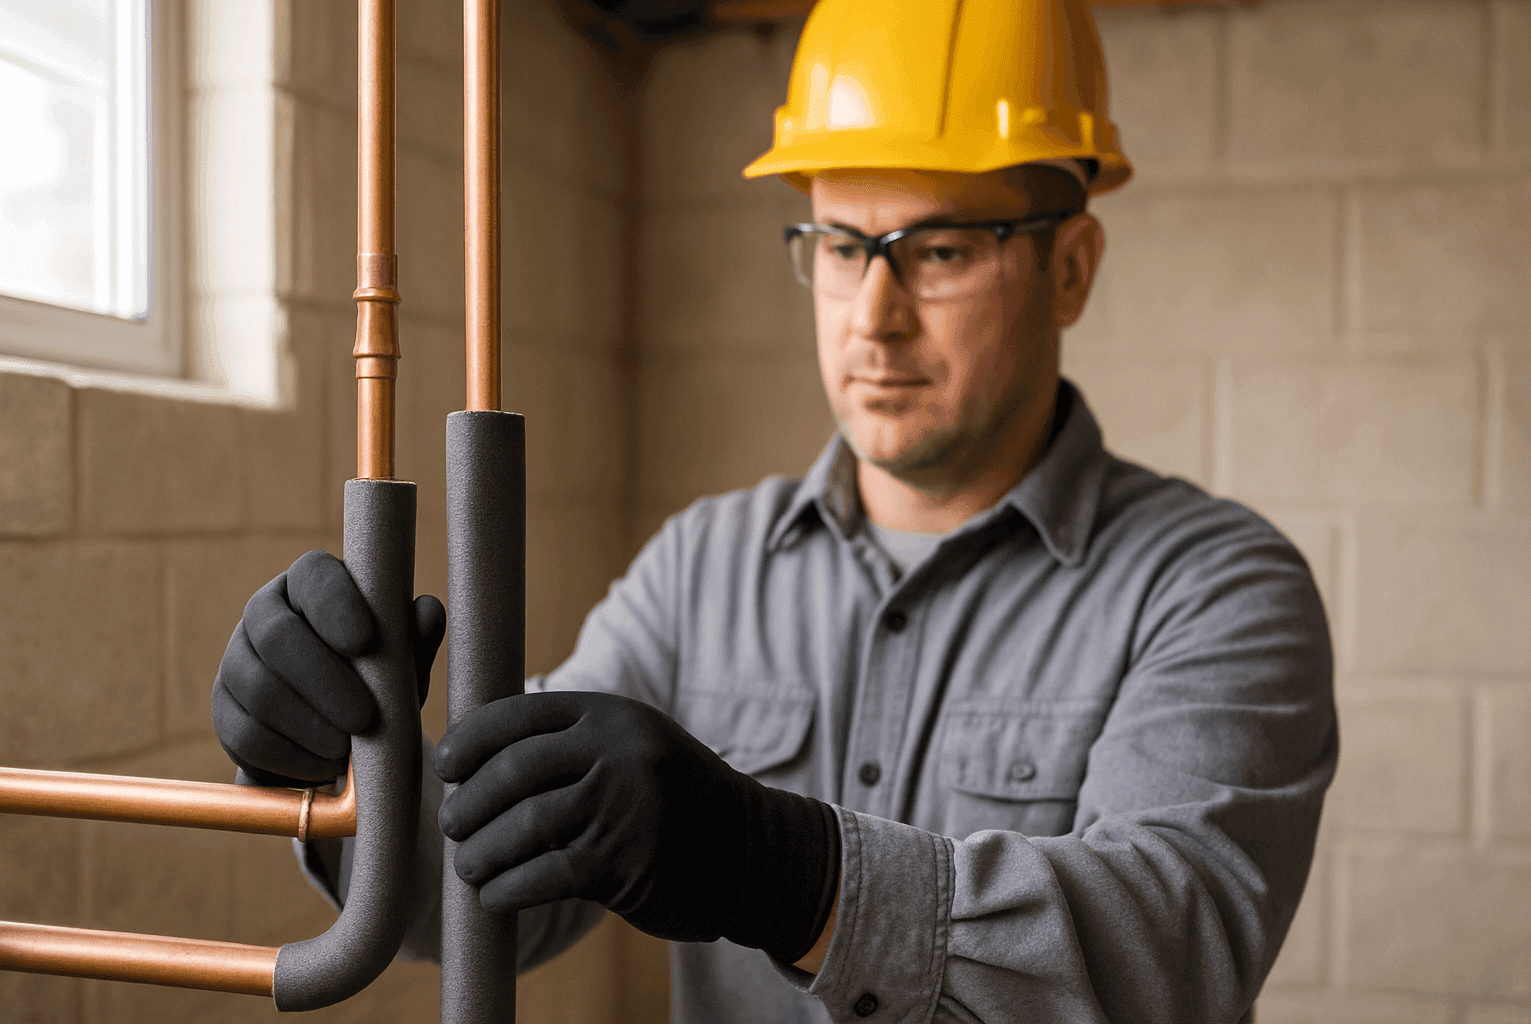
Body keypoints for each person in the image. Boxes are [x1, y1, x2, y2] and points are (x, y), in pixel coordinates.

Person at [211, 0, 1337, 1020]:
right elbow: (472, 891)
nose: (873, 318)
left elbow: (1168, 958)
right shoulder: (701, 566)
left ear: (1072, 269)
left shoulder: (1217, 588)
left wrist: (783, 868)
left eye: (936, 250)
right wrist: (342, 777)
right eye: (842, 248)